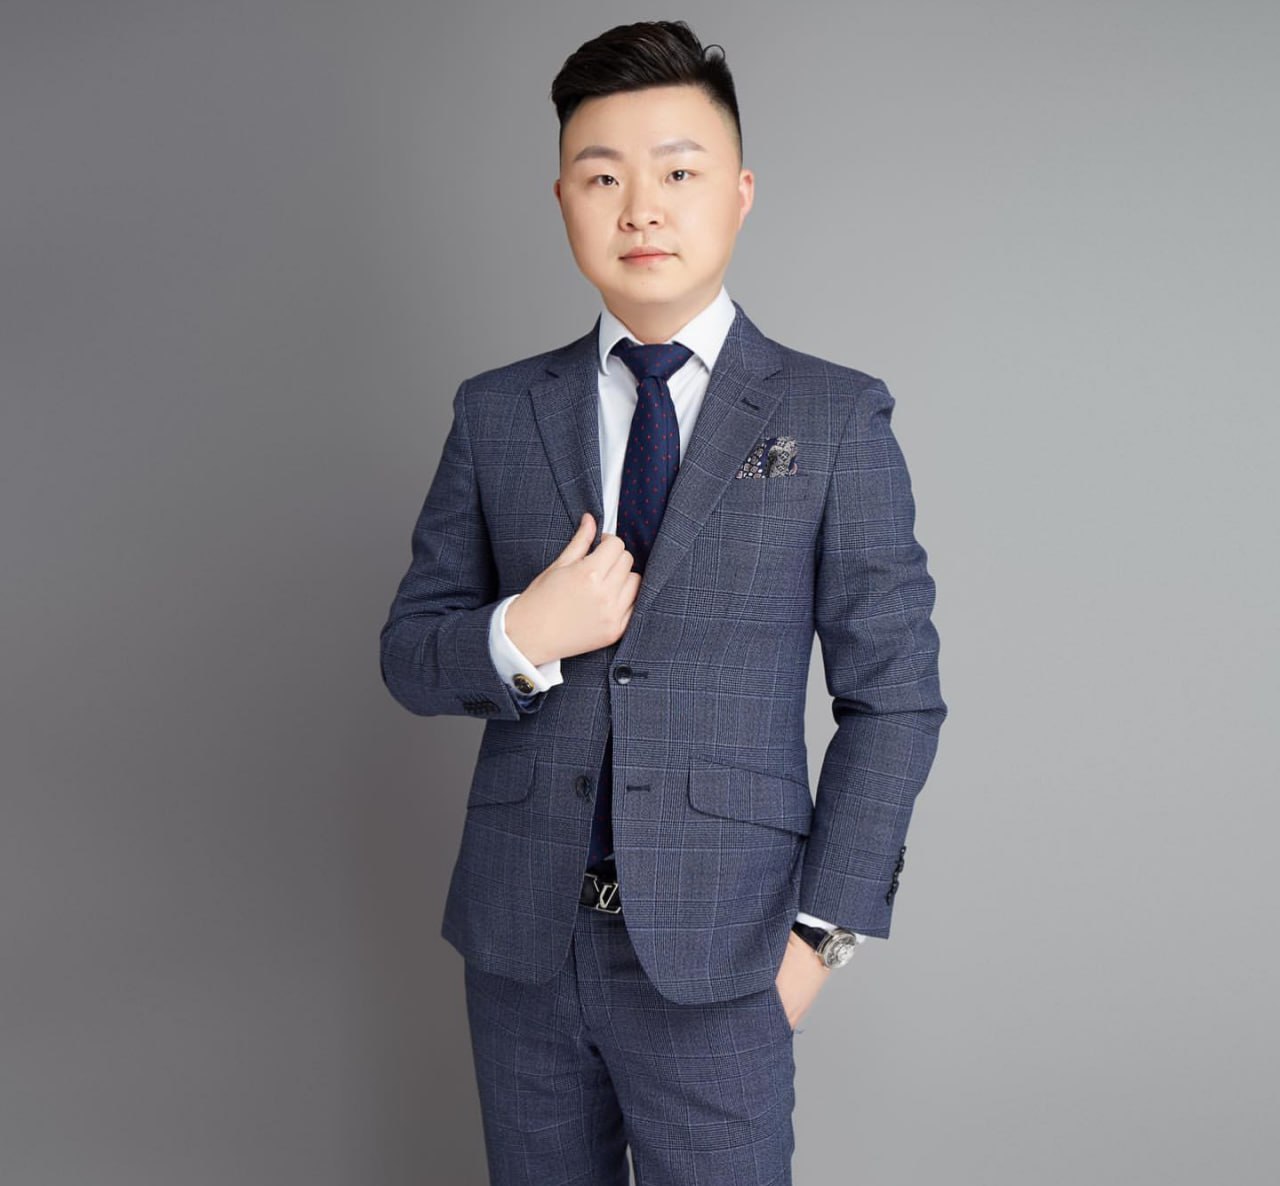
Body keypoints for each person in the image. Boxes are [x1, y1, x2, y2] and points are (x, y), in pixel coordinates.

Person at [379, 19, 947, 1185]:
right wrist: (520, 634)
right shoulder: (496, 412)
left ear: (738, 193)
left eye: (676, 173)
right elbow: (409, 652)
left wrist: (817, 938)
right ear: (562, 201)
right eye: (602, 178)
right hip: (521, 950)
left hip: (726, 958)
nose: (640, 208)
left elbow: (894, 698)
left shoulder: (833, 417)